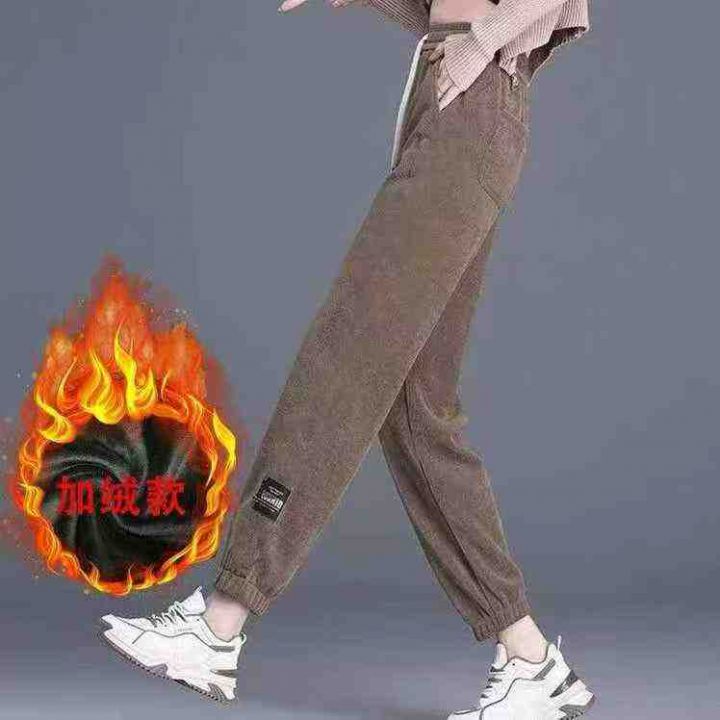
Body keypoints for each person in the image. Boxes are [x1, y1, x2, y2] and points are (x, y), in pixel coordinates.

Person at [99, 0, 596, 717]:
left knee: (345, 355)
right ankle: (530, 661)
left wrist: (476, 46)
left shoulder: (479, 60)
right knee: (416, 409)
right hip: (459, 93)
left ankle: (219, 623)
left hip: (473, 94)